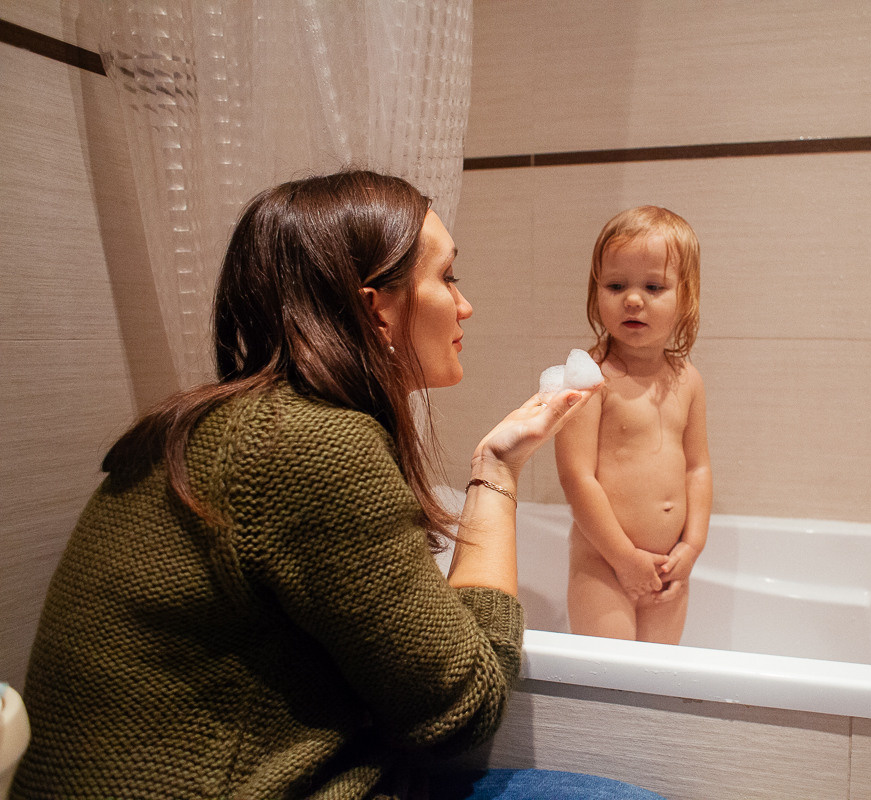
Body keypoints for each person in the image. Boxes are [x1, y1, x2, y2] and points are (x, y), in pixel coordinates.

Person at [12, 171, 665, 799]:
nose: (466, 304)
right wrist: (495, 474)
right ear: (376, 311)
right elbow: (464, 711)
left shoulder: (232, 424)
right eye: (447, 277)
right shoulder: (313, 446)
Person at [555, 206, 712, 645]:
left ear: (687, 296)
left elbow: (697, 468)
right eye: (616, 285)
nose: (633, 299)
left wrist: (691, 547)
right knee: (609, 681)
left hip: (667, 568)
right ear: (595, 291)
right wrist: (623, 558)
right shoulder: (590, 378)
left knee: (656, 684)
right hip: (603, 565)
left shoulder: (688, 380)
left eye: (654, 286)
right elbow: (576, 477)